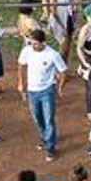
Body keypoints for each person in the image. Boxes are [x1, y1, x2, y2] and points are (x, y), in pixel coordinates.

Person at [18, 27, 67, 156]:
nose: (32, 45)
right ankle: (45, 138)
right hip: (32, 91)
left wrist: (60, 87)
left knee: (48, 119)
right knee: (37, 118)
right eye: (30, 42)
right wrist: (21, 83)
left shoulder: (52, 54)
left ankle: (50, 147)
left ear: (42, 42)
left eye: (35, 43)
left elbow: (62, 71)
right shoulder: (27, 51)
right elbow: (21, 65)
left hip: (47, 90)